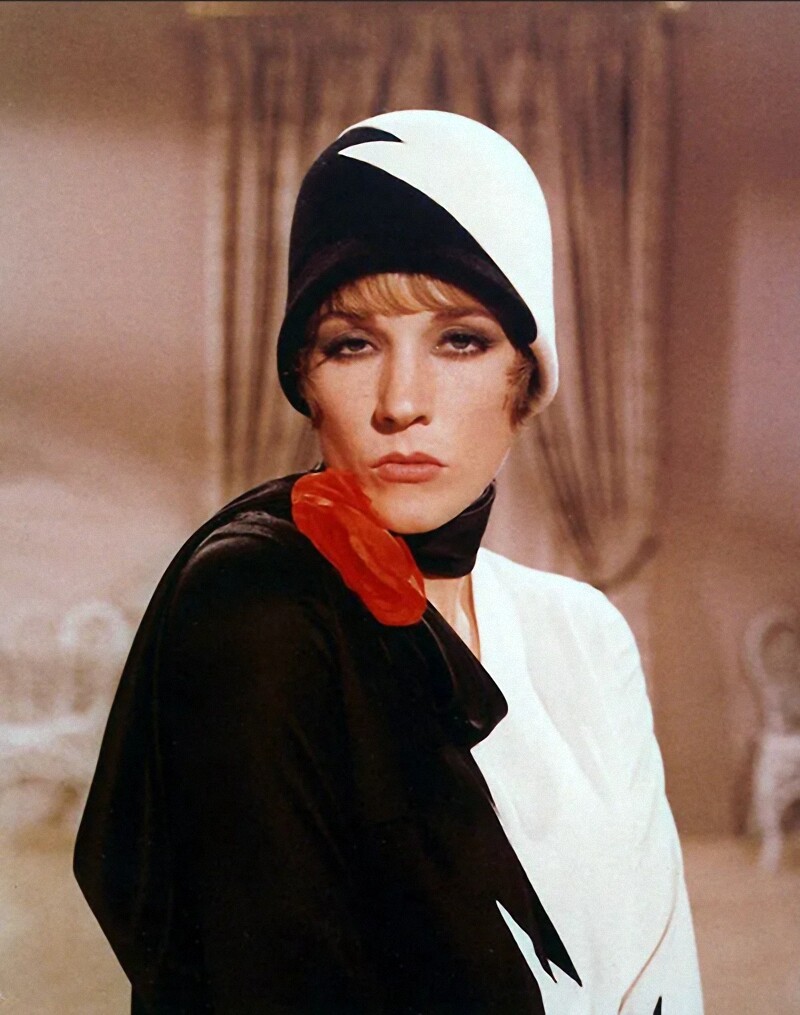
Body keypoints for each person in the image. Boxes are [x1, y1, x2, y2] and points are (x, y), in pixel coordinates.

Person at [74, 110, 703, 1014]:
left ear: (525, 379)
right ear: (305, 378)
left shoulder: (586, 629)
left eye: (460, 339)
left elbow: (662, 974)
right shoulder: (250, 613)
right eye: (352, 343)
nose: (402, 401)